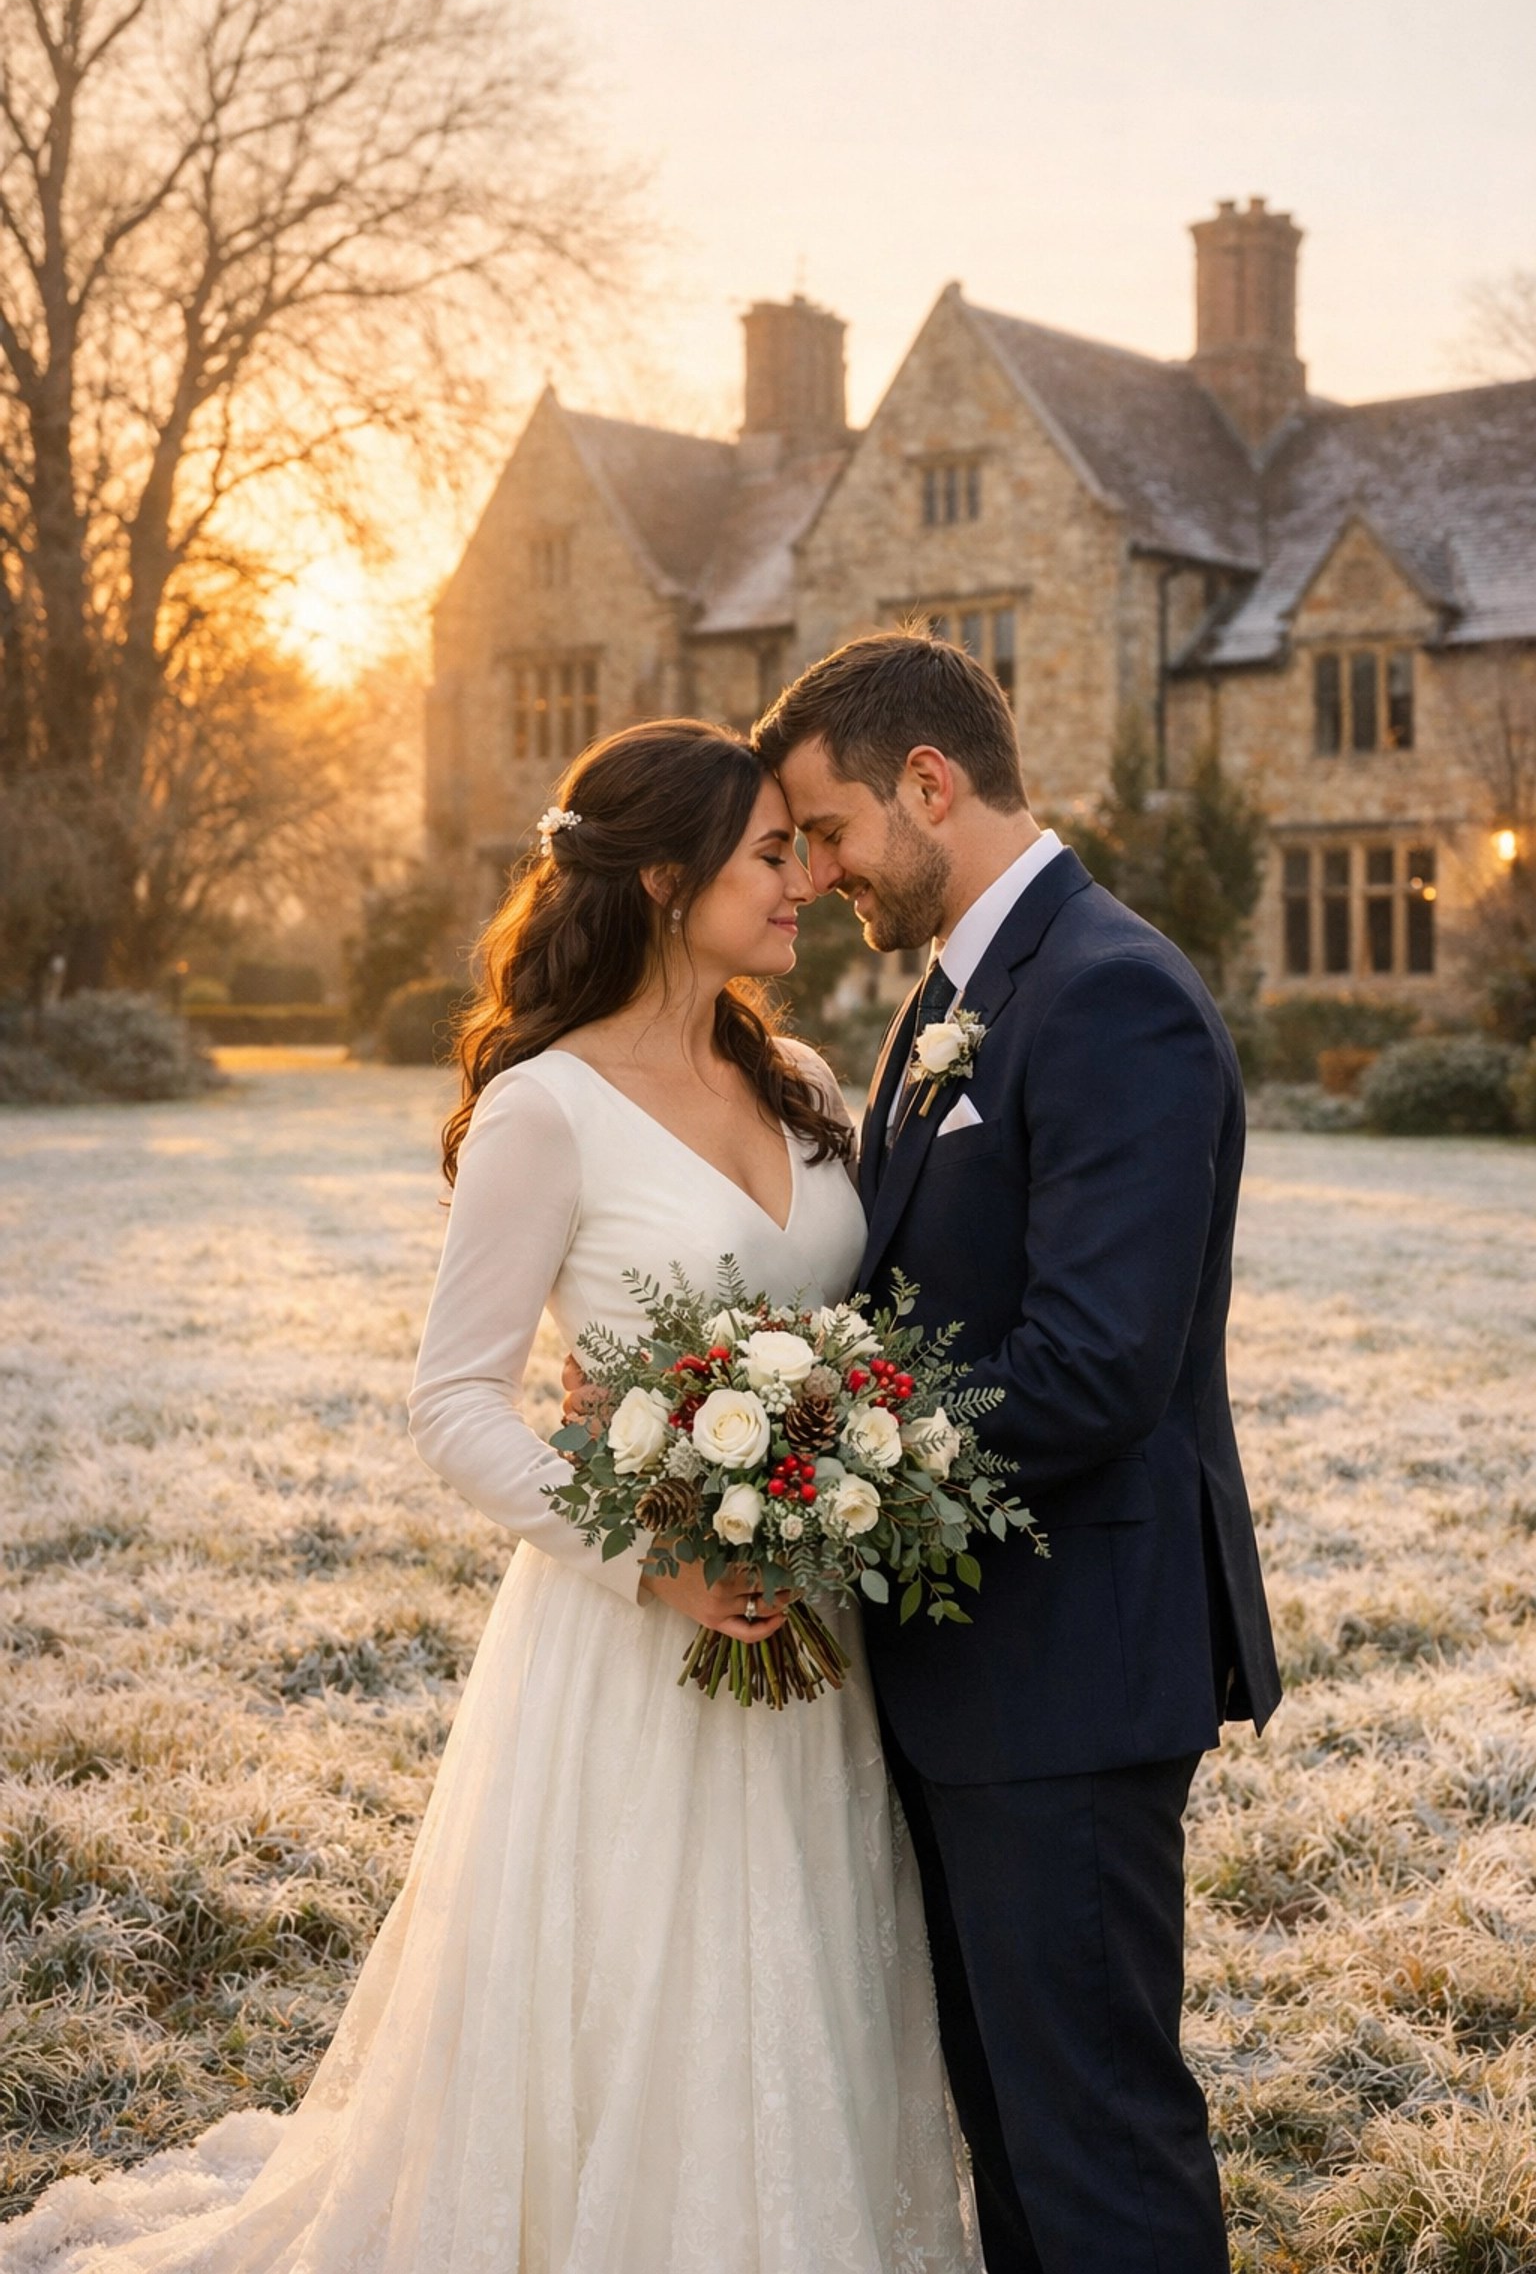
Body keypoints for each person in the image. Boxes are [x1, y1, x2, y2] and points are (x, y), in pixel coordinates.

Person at [7, 723, 977, 2274]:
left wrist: (841, 1467)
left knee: (804, 1975)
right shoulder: (547, 1107)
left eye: (803, 851)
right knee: (642, 1987)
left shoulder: (793, 1079)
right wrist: (656, 1559)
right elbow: (455, 1399)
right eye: (768, 857)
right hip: (638, 1641)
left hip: (819, 1629)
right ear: (668, 881)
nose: (807, 880)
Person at [754, 632, 1283, 2274]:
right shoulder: (954, 996)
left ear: (932, 783)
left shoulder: (1108, 991)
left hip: (1073, 1660)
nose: (820, 872)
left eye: (829, 831)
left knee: (1095, 2132)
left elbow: (1094, 1368)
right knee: (1009, 2121)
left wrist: (831, 1474)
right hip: (975, 1663)